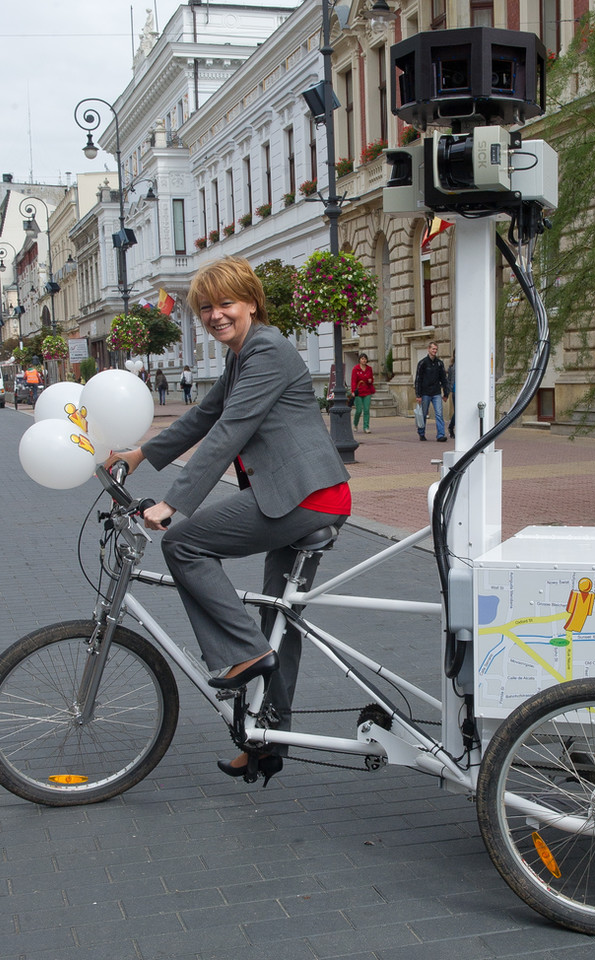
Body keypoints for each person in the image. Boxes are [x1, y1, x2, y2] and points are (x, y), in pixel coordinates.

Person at [104, 257, 351, 786]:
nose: (216, 315)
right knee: (277, 619)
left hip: (303, 497)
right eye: (206, 308)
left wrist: (175, 504)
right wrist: (140, 454)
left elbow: (231, 431)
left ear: (252, 303)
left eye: (226, 304)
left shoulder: (266, 350)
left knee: (186, 544)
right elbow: (203, 415)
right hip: (305, 495)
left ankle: (243, 655)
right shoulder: (244, 354)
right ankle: (269, 740)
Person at [414, 340, 449, 442]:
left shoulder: (439, 363)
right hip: (425, 393)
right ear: (428, 349)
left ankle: (440, 435)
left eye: (436, 349)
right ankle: (421, 432)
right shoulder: (422, 363)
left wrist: (445, 393)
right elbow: (418, 379)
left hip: (436, 392)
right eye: (433, 349)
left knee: (439, 413)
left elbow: (443, 379)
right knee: (423, 413)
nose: (435, 351)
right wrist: (418, 394)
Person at [350, 353, 375, 433]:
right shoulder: (355, 369)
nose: (364, 360)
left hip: (367, 391)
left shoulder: (369, 369)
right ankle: (355, 424)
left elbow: (371, 379)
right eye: (362, 359)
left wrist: (370, 380)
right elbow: (353, 381)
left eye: (365, 359)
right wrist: (353, 391)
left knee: (367, 410)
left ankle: (366, 427)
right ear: (359, 360)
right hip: (358, 392)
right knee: (359, 410)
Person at [447, 351, 456, 439]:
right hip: (455, 391)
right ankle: (451, 427)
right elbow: (449, 379)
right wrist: (448, 390)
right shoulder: (452, 366)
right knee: (458, 412)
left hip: (464, 391)